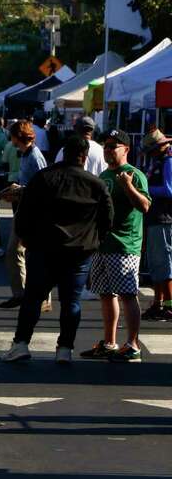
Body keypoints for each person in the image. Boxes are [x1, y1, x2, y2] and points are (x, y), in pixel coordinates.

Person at [2, 136, 113, 364]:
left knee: (33, 298)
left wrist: (27, 239)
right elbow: (107, 219)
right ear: (84, 157)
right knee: (71, 302)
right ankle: (65, 348)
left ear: (64, 153)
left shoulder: (43, 178)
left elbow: (24, 214)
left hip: (44, 248)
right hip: (80, 251)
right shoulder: (96, 184)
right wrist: (94, 241)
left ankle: (21, 343)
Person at [79, 130, 150, 362]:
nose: (109, 150)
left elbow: (145, 206)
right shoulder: (104, 174)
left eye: (114, 146)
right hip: (103, 245)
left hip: (124, 245)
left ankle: (133, 345)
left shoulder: (134, 174)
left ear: (126, 149)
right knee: (106, 294)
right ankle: (110, 343)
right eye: (107, 146)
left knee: (128, 294)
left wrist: (129, 186)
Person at [0, 121, 47, 309]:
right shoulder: (26, 154)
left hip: (33, 211)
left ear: (17, 136)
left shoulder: (34, 156)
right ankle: (22, 294)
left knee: (23, 253)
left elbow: (43, 185)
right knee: (17, 252)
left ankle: (33, 296)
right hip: (24, 208)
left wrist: (20, 190)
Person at [142, 132, 172, 321]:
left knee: (165, 263)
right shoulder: (158, 162)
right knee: (156, 263)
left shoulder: (168, 162)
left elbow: (169, 190)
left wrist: (145, 189)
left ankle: (168, 305)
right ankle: (158, 303)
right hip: (156, 218)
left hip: (164, 218)